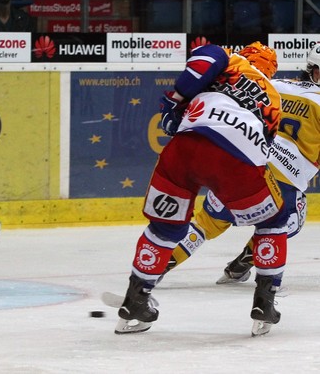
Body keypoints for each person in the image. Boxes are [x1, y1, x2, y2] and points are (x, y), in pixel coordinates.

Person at [115, 40, 289, 337]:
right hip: (239, 159)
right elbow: (265, 146)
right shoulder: (274, 99)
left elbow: (207, 58)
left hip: (184, 148)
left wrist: (175, 98)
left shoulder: (232, 61)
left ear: (245, 55)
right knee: (273, 220)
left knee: (164, 226)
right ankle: (264, 301)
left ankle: (136, 298)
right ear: (270, 72)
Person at [162, 43, 320, 286]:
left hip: (242, 167)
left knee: (206, 224)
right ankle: (245, 264)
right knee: (287, 222)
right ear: (313, 70)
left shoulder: (273, 86)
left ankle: (155, 270)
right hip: (284, 182)